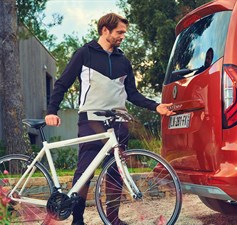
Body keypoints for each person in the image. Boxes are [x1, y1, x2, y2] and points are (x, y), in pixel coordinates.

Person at [45, 13, 174, 225]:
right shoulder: (84, 54)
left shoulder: (123, 61)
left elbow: (133, 94)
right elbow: (62, 83)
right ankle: (77, 220)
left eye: (124, 32)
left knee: (115, 173)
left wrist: (155, 106)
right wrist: (52, 111)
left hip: (118, 122)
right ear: (105, 30)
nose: (123, 36)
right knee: (85, 172)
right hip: (90, 120)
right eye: (119, 32)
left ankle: (113, 218)